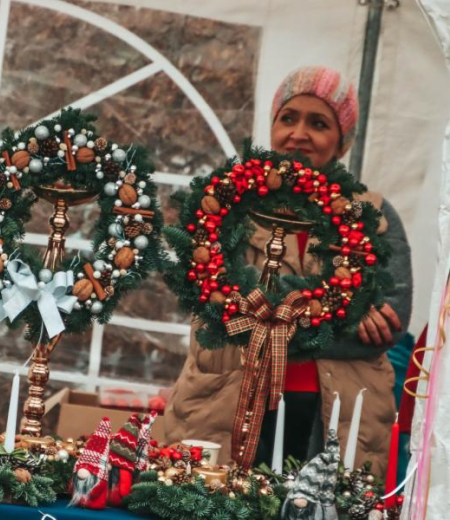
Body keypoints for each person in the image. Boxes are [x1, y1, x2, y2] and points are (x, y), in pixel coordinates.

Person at [164, 66, 413, 476]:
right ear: (273, 125)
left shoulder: (374, 215)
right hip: (224, 397)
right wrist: (345, 315)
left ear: (341, 141)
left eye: (318, 123)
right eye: (289, 118)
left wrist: (265, 320)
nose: (300, 133)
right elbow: (209, 303)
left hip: (338, 408)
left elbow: (393, 320)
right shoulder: (227, 201)